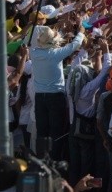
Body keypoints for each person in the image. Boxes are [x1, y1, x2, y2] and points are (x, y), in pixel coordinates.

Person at [30, 22, 86, 159]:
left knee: (42, 132)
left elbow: (35, 30)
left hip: (40, 98)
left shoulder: (33, 52)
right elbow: (74, 45)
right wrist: (81, 32)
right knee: (57, 133)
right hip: (55, 98)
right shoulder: (56, 54)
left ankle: (42, 161)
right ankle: (54, 161)